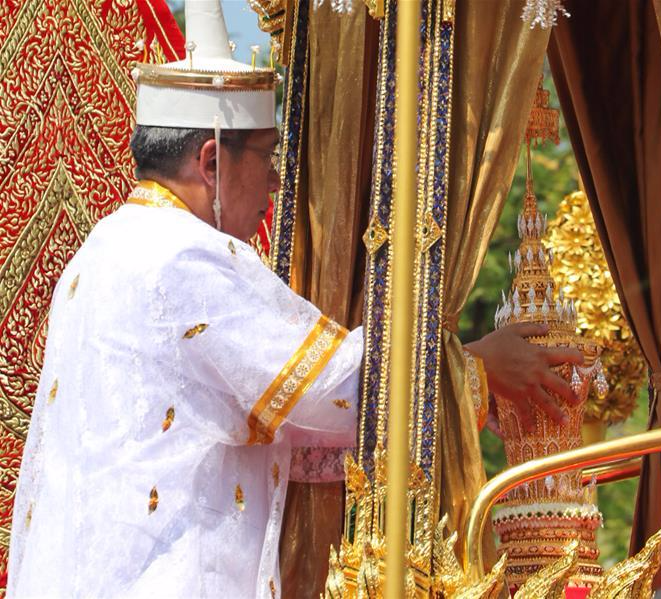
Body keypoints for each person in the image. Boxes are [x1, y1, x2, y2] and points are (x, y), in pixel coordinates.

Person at [7, 1, 581, 596]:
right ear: (211, 162)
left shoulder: (101, 251)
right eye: (269, 156)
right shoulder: (185, 257)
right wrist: (480, 368)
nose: (278, 182)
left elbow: (276, 421)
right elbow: (336, 389)